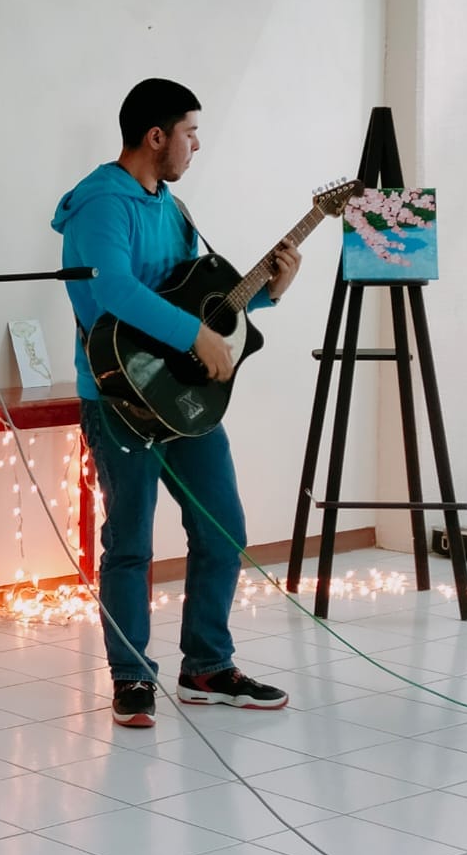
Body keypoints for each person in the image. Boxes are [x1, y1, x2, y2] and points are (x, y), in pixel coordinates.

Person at [51, 79, 300, 728]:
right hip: (119, 399)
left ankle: (207, 666)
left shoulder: (176, 211)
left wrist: (268, 292)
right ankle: (132, 676)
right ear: (156, 136)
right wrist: (194, 335)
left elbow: (194, 298)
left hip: (183, 402)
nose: (196, 145)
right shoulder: (101, 204)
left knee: (224, 530)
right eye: (190, 132)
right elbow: (115, 293)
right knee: (130, 543)